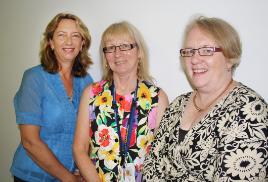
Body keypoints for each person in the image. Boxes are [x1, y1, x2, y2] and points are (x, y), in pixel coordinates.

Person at [143, 16, 268, 181]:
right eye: (189, 52)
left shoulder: (250, 111)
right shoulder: (177, 105)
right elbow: (152, 167)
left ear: (230, 58)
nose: (194, 59)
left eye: (207, 50)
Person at [73, 21, 169, 182]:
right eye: (110, 48)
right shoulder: (91, 94)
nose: (117, 53)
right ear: (105, 57)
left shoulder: (157, 98)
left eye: (125, 46)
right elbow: (79, 149)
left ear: (139, 52)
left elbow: (163, 154)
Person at [10, 13, 93, 182]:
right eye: (61, 35)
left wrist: (82, 170)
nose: (69, 42)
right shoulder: (34, 78)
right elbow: (30, 142)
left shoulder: (87, 82)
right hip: (33, 177)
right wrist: (69, 179)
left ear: (82, 43)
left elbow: (87, 135)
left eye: (75, 36)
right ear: (51, 42)